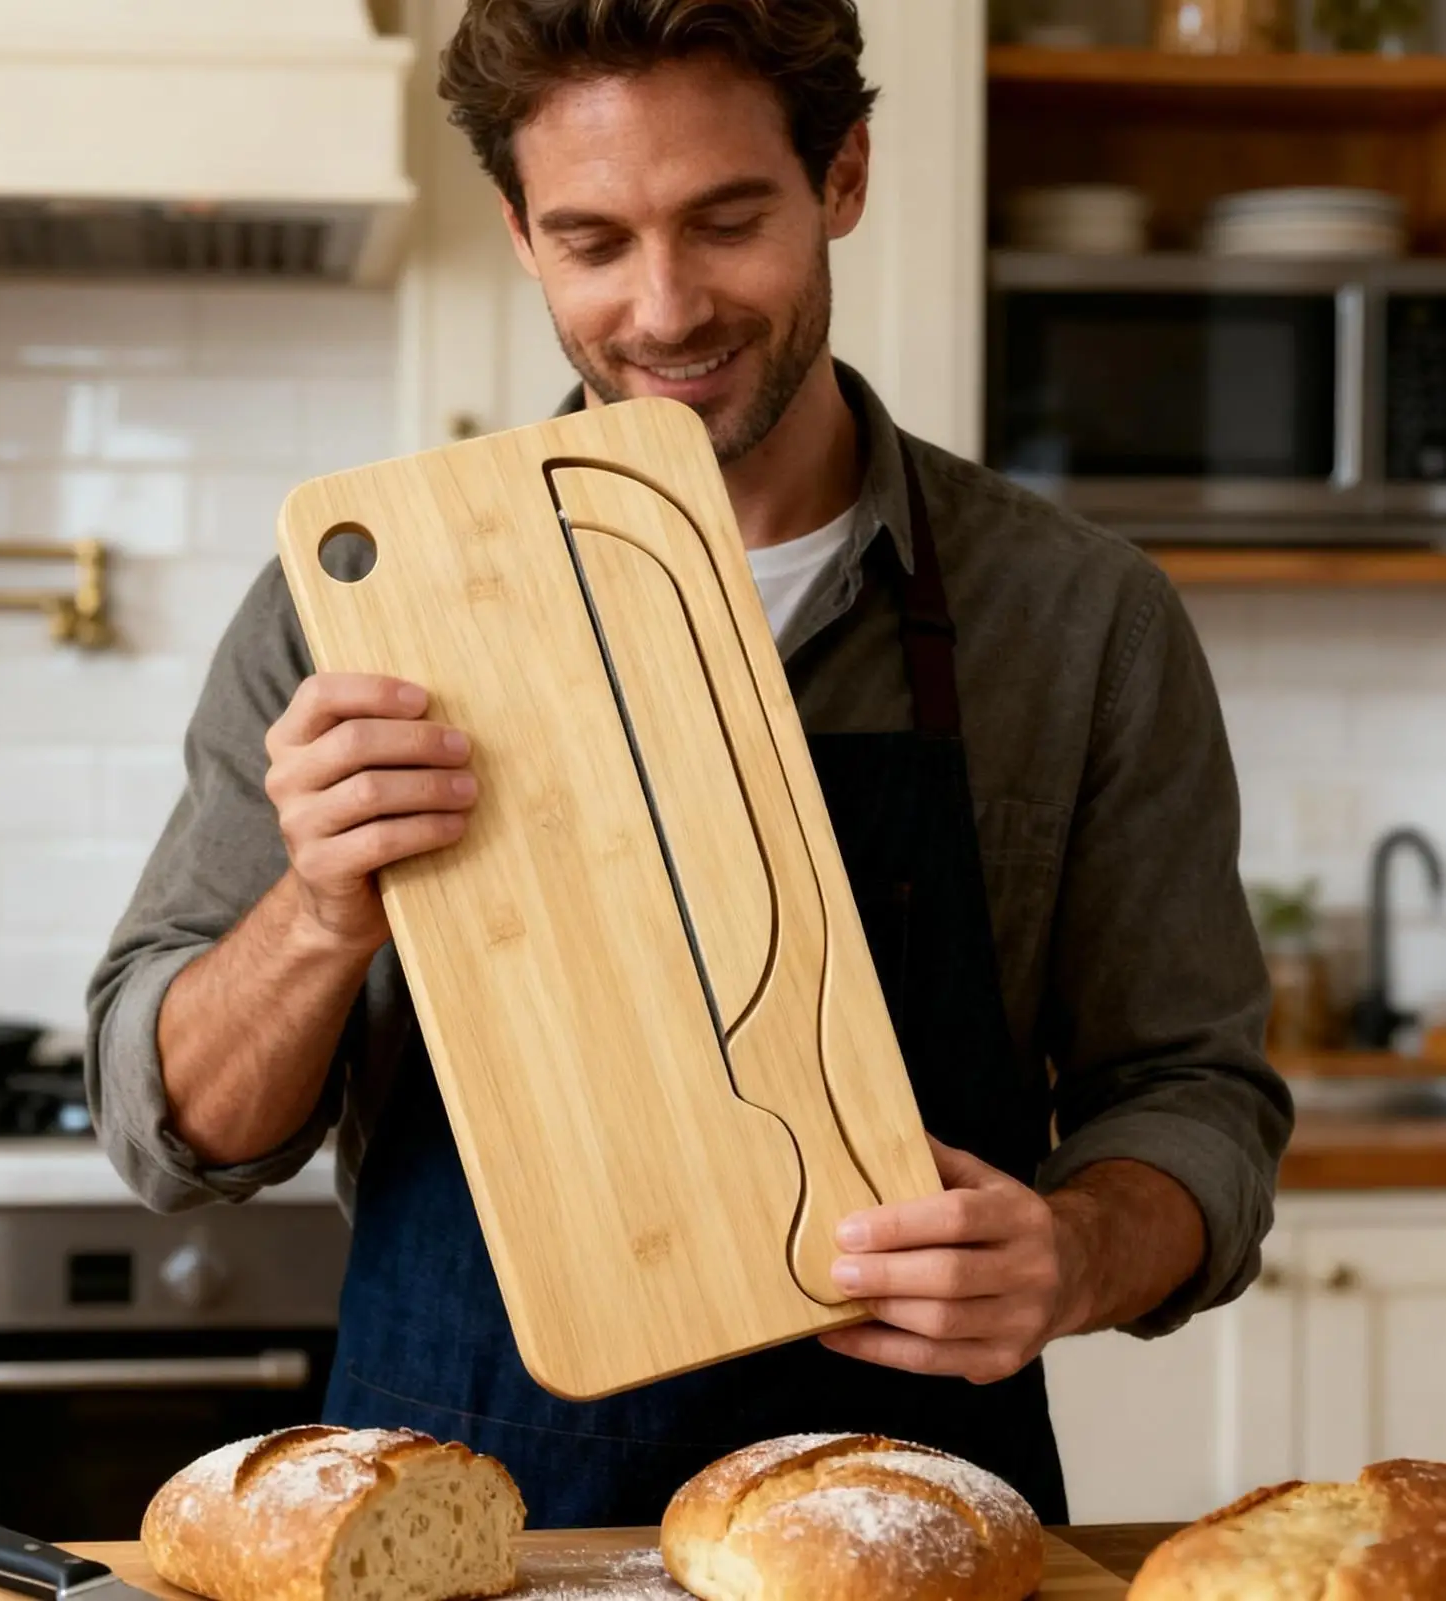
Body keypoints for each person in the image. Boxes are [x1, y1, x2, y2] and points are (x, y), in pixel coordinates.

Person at [88, 0, 1292, 1529]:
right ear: (522, 234)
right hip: (461, 1517)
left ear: (842, 177)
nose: (664, 311)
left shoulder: (1075, 618)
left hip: (902, 1516)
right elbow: (166, 1136)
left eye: (726, 222)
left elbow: (1194, 1093)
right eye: (594, 241)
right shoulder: (352, 606)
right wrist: (321, 917)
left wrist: (1077, 1252)